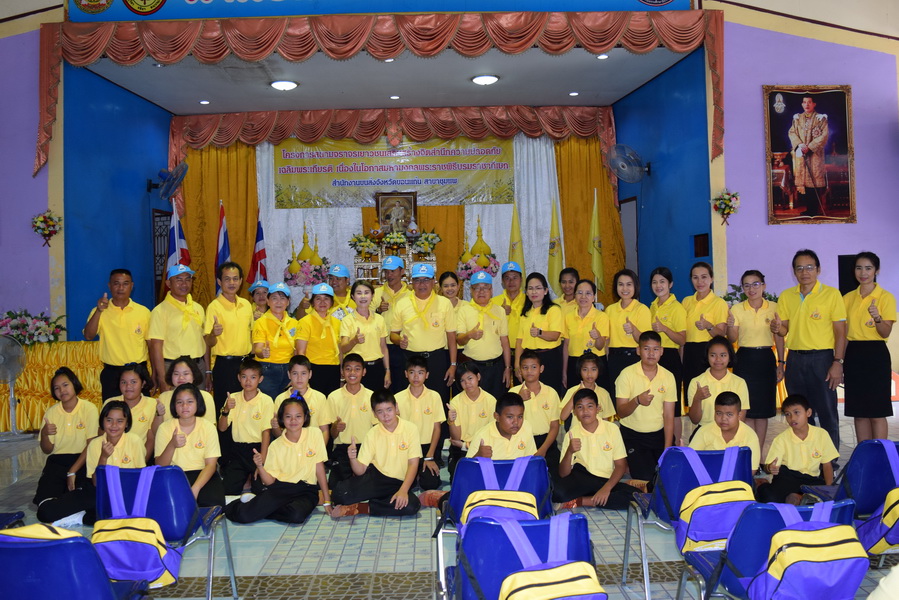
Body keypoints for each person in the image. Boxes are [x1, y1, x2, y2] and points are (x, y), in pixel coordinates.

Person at [773, 249, 847, 451]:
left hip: (823, 359)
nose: (804, 272)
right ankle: (806, 458)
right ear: (794, 271)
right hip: (795, 360)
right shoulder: (787, 296)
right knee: (799, 412)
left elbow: (841, 333)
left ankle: (830, 461)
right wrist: (777, 328)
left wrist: (838, 362)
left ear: (818, 269)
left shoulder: (831, 294)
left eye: (809, 267)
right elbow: (784, 330)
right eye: (799, 268)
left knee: (827, 412)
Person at [226, 396, 333, 524]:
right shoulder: (275, 445)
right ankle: (235, 504)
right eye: (288, 416)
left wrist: (327, 500)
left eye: (298, 416)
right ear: (281, 418)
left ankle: (259, 505)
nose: (293, 420)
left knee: (296, 516)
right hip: (280, 488)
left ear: (305, 417)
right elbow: (270, 482)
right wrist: (260, 466)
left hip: (307, 490)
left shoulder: (315, 434)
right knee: (244, 516)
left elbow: (319, 468)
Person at [37, 401, 146, 526]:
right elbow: (96, 483)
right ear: (102, 422)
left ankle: (80, 517)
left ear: (127, 424)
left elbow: (141, 477)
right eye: (109, 420)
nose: (114, 425)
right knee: (45, 513)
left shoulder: (135, 441)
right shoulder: (95, 444)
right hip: (98, 491)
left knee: (122, 513)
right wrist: (103, 457)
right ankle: (87, 512)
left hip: (125, 493)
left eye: (120, 421)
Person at [331, 390, 422, 517]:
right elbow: (360, 470)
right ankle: (381, 500)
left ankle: (363, 507)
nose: (386, 415)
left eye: (389, 410)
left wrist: (403, 490)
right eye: (380, 412)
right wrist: (353, 458)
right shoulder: (372, 433)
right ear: (374, 414)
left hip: (401, 481)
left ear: (396, 408)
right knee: (339, 495)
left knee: (412, 506)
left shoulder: (411, 429)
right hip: (377, 478)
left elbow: (413, 464)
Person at [554, 389, 643, 510]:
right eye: (580, 407)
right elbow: (563, 474)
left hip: (606, 480)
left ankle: (584, 501)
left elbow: (620, 465)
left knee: (637, 497)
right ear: (574, 411)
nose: (585, 411)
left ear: (597, 408)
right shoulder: (571, 434)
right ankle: (597, 498)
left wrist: (606, 488)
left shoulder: (612, 429)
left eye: (590, 406)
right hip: (582, 478)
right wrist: (570, 451)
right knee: (558, 493)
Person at [726, 270, 784, 448]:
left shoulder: (774, 307)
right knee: (747, 409)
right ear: (743, 288)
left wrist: (781, 363)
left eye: (755, 284)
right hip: (745, 360)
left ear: (763, 286)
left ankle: (758, 452)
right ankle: (748, 451)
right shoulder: (737, 309)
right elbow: (732, 339)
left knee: (762, 412)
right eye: (747, 285)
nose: (751, 289)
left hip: (766, 359)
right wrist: (730, 327)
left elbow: (780, 336)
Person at [843, 251, 895, 442]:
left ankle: (880, 454)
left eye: (868, 268)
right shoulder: (847, 298)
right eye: (859, 268)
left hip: (876, 355)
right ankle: (864, 453)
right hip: (853, 354)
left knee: (877, 412)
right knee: (859, 412)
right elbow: (844, 333)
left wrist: (877, 317)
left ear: (876, 270)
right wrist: (839, 360)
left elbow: (885, 332)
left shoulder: (886, 297)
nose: (863, 273)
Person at [614, 331, 677, 482]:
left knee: (669, 473)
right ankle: (628, 463)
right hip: (633, 435)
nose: (651, 353)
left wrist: (667, 450)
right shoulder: (626, 374)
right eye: (646, 348)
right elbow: (621, 412)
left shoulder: (668, 376)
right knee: (646, 478)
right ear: (638, 350)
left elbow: (669, 416)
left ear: (661, 351)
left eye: (655, 349)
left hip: (658, 434)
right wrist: (637, 400)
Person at [390, 263, 457, 402]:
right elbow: (393, 334)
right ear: (411, 283)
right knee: (409, 401)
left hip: (436, 360)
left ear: (433, 282)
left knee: (438, 400)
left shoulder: (444, 303)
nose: (422, 284)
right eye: (417, 280)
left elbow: (451, 337)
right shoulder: (402, 304)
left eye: (426, 279)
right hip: (410, 359)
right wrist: (399, 340)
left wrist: (453, 365)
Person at [34, 368, 98, 509]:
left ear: (74, 384)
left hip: (82, 460)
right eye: (56, 388)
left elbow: (92, 444)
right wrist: (44, 434)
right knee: (44, 505)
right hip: (57, 462)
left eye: (65, 385)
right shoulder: (51, 412)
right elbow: (47, 450)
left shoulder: (89, 408)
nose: (62, 390)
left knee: (87, 499)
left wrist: (72, 470)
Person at [83, 269, 151, 400]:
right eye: (116, 283)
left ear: (132, 286)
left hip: (138, 371)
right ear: (109, 286)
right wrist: (99, 311)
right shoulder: (99, 311)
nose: (121, 288)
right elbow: (88, 336)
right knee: (112, 410)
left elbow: (151, 345)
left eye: (125, 283)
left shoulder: (144, 312)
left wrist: (155, 374)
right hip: (112, 373)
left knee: (142, 410)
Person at [757, 394, 837, 504]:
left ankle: (798, 498)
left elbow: (827, 466)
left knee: (825, 498)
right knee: (771, 499)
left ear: (808, 413)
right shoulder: (781, 439)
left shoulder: (821, 434)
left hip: (811, 480)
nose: (792, 418)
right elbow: (768, 467)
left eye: (796, 412)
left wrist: (828, 490)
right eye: (788, 414)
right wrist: (770, 468)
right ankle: (762, 484)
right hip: (788, 478)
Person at [155, 383, 224, 507]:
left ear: (198, 403)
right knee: (171, 506)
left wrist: (195, 489)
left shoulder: (208, 427)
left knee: (213, 504)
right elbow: (160, 466)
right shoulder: (164, 428)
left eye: (190, 402)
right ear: (174, 405)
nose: (184, 406)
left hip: (203, 474)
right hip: (174, 474)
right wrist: (172, 445)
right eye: (179, 402)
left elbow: (211, 465)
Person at [218, 358, 273, 496]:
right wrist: (226, 410)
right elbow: (222, 428)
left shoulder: (266, 400)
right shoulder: (233, 398)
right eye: (244, 377)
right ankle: (244, 479)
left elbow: (266, 432)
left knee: (262, 489)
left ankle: (250, 480)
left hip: (257, 450)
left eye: (253, 377)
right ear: (239, 378)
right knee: (228, 490)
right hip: (237, 450)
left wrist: (262, 460)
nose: (248, 381)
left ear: (260, 379)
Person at [149, 264, 208, 393]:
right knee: (174, 404)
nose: (184, 284)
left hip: (198, 366)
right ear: (168, 284)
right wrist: (162, 378)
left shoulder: (198, 308)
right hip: (172, 368)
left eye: (188, 279)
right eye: (179, 280)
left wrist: (208, 371)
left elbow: (204, 341)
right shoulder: (159, 311)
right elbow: (156, 346)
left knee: (198, 402)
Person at [204, 261, 253, 414]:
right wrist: (213, 333)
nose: (232, 283)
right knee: (225, 408)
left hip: (246, 364)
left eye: (235, 278)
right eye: (227, 279)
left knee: (245, 408)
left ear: (241, 281)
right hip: (225, 366)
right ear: (219, 281)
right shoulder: (214, 306)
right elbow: (208, 342)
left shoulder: (246, 305)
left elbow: (251, 335)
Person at [455, 270, 511, 400]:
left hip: (496, 367)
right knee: (475, 403)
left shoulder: (499, 311)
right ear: (471, 291)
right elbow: (459, 340)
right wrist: (469, 335)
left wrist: (507, 367)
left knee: (497, 403)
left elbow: (505, 341)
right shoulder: (464, 311)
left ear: (491, 290)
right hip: (473, 368)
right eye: (477, 288)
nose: (481, 291)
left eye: (485, 288)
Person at [394, 356, 444, 491]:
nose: (416, 377)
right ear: (406, 374)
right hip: (405, 448)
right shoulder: (397, 398)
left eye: (420, 372)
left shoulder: (434, 396)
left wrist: (430, 456)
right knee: (402, 483)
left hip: (427, 448)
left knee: (430, 484)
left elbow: (437, 429)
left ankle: (422, 471)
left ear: (427, 375)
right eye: (412, 372)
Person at [649, 267, 686, 443]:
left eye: (662, 282)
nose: (658, 286)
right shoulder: (652, 306)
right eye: (655, 282)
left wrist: (664, 328)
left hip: (670, 357)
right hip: (653, 358)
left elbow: (682, 339)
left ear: (670, 284)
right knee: (657, 404)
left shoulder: (677, 308)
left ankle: (676, 444)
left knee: (673, 407)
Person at [328, 353, 376, 486]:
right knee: (337, 488)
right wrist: (336, 427)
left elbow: (377, 429)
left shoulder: (371, 396)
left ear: (364, 372)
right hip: (342, 449)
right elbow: (333, 434)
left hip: (366, 448)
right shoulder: (333, 397)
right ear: (342, 372)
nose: (352, 373)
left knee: (367, 485)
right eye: (348, 369)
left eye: (357, 369)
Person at [510, 350, 561, 473]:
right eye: (525, 367)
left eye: (533, 367)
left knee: (555, 479)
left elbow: (555, 426)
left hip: (547, 442)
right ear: (520, 370)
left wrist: (543, 449)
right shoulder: (513, 392)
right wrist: (518, 399)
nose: (529, 371)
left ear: (541, 369)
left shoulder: (551, 392)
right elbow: (508, 422)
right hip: (521, 442)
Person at [681, 262, 728, 393]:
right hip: (689, 351)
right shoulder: (686, 301)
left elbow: (722, 335)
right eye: (695, 277)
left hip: (708, 352)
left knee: (709, 393)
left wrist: (709, 326)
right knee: (691, 392)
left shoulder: (718, 303)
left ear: (711, 279)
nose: (700, 282)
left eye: (704, 277)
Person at [515, 272, 564, 396]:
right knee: (530, 395)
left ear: (545, 291)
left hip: (549, 358)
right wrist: (517, 365)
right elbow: (519, 340)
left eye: (538, 288)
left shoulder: (554, 310)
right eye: (530, 288)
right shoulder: (525, 313)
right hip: (528, 359)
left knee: (550, 395)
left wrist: (539, 333)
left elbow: (555, 335)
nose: (534, 292)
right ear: (526, 292)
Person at [687, 336, 749, 431]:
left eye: (723, 355)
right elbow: (694, 420)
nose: (718, 359)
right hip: (704, 431)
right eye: (713, 355)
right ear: (707, 356)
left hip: (731, 431)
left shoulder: (739, 382)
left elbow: (741, 418)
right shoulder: (696, 382)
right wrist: (697, 399)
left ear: (730, 357)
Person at [447, 362, 498, 477]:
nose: (467, 383)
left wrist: (466, 445)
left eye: (470, 378)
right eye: (462, 380)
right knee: (458, 477)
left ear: (478, 377)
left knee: (487, 477)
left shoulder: (491, 400)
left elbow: (492, 433)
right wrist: (451, 421)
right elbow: (456, 438)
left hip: (483, 446)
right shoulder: (455, 401)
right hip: (460, 449)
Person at [689, 391, 760, 472]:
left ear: (739, 415)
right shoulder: (704, 431)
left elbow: (751, 470)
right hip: (706, 477)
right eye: (719, 413)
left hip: (737, 478)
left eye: (729, 414)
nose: (723, 418)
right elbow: (690, 460)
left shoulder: (750, 436)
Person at [339, 280, 390, 391]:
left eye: (366, 292)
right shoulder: (347, 320)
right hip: (356, 370)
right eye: (359, 293)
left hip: (377, 368)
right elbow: (343, 348)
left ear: (372, 296)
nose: (363, 296)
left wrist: (387, 371)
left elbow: (383, 348)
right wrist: (354, 341)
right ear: (353, 296)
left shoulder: (379, 319)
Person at [104, 363, 161, 462]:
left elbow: (151, 439)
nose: (128, 386)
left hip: (140, 458)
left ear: (143, 383)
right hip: (113, 457)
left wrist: (140, 464)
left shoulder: (152, 404)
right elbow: (102, 432)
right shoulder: (110, 402)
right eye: (123, 382)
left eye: (133, 382)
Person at [272, 355, 335, 444]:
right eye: (295, 373)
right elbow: (278, 435)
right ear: (289, 375)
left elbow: (324, 430)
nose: (299, 378)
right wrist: (275, 427)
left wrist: (320, 450)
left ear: (310, 374)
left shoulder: (320, 398)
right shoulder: (280, 399)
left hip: (312, 447)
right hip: (289, 447)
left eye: (303, 373)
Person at [252, 282, 298, 400]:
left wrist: (295, 373)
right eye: (274, 298)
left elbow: (297, 350)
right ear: (268, 301)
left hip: (289, 370)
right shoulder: (261, 322)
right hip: (268, 369)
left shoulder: (294, 323)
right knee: (269, 404)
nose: (279, 302)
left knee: (287, 405)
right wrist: (262, 352)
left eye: (282, 298)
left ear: (288, 302)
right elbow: (258, 348)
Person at [605, 269, 652, 387]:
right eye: (620, 284)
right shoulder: (610, 309)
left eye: (629, 284)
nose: (624, 288)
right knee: (615, 393)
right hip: (614, 359)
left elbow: (645, 341)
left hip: (634, 358)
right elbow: (607, 339)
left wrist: (633, 329)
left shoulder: (642, 309)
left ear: (635, 286)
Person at [562, 279, 609, 392]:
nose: (583, 297)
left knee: (598, 397)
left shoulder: (601, 317)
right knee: (575, 397)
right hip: (574, 363)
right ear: (575, 296)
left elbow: (600, 346)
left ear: (593, 297)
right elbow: (566, 345)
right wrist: (564, 371)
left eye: (588, 293)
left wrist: (598, 336)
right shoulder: (568, 317)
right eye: (579, 293)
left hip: (595, 363)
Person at [373, 256, 412, 393]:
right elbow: (365, 318)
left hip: (402, 347)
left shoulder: (411, 295)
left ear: (402, 271)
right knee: (383, 388)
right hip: (381, 347)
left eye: (393, 271)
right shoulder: (376, 293)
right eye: (386, 271)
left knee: (401, 387)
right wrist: (378, 310)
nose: (389, 275)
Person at [788, 95, 829, 217]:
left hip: (815, 155)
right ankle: (809, 210)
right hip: (802, 154)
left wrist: (810, 147)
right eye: (804, 102)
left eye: (809, 102)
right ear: (802, 104)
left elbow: (824, 135)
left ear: (814, 104)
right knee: (805, 183)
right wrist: (800, 145)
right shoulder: (797, 118)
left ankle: (814, 210)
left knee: (814, 181)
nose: (807, 104)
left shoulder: (820, 119)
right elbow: (792, 132)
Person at [466, 392, 537, 459]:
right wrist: (478, 456)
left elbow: (531, 460)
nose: (516, 422)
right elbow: (466, 467)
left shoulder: (526, 427)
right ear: (497, 417)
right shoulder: (482, 436)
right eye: (510, 417)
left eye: (520, 417)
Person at [560, 353, 616, 426]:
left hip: (597, 432)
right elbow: (563, 417)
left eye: (593, 369)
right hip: (577, 431)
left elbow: (606, 421)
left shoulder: (604, 393)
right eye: (585, 370)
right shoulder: (572, 391)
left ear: (599, 371)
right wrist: (575, 395)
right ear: (580, 371)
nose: (589, 374)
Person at [157, 357, 216, 423]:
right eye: (176, 374)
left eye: (186, 374)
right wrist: (158, 415)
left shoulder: (206, 397)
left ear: (194, 375)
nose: (181, 377)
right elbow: (156, 428)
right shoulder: (163, 397)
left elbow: (211, 426)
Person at [491, 261, 526, 353]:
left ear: (521, 279)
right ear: (502, 281)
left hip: (524, 351)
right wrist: (499, 313)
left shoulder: (529, 301)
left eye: (515, 277)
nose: (511, 281)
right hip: (500, 351)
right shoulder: (493, 302)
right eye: (507, 278)